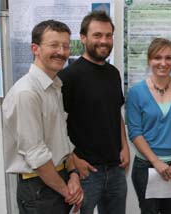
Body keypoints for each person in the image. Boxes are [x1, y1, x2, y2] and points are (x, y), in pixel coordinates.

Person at [3, 20, 83, 214]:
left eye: (65, 46)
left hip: (58, 180)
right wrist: (67, 192)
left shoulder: (54, 86)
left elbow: (61, 140)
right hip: (39, 189)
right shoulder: (27, 93)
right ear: (35, 49)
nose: (62, 52)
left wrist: (73, 174)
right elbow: (35, 154)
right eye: (54, 45)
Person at [58, 11, 129, 214]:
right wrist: (73, 161)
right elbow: (56, 127)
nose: (104, 41)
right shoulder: (68, 76)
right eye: (97, 35)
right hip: (85, 173)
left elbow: (116, 114)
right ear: (83, 38)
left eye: (108, 35)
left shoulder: (113, 74)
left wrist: (125, 146)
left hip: (115, 169)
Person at [126, 38, 171, 214]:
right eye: (157, 58)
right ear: (149, 60)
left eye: (168, 58)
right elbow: (135, 132)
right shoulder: (136, 92)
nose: (163, 63)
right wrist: (156, 162)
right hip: (146, 166)